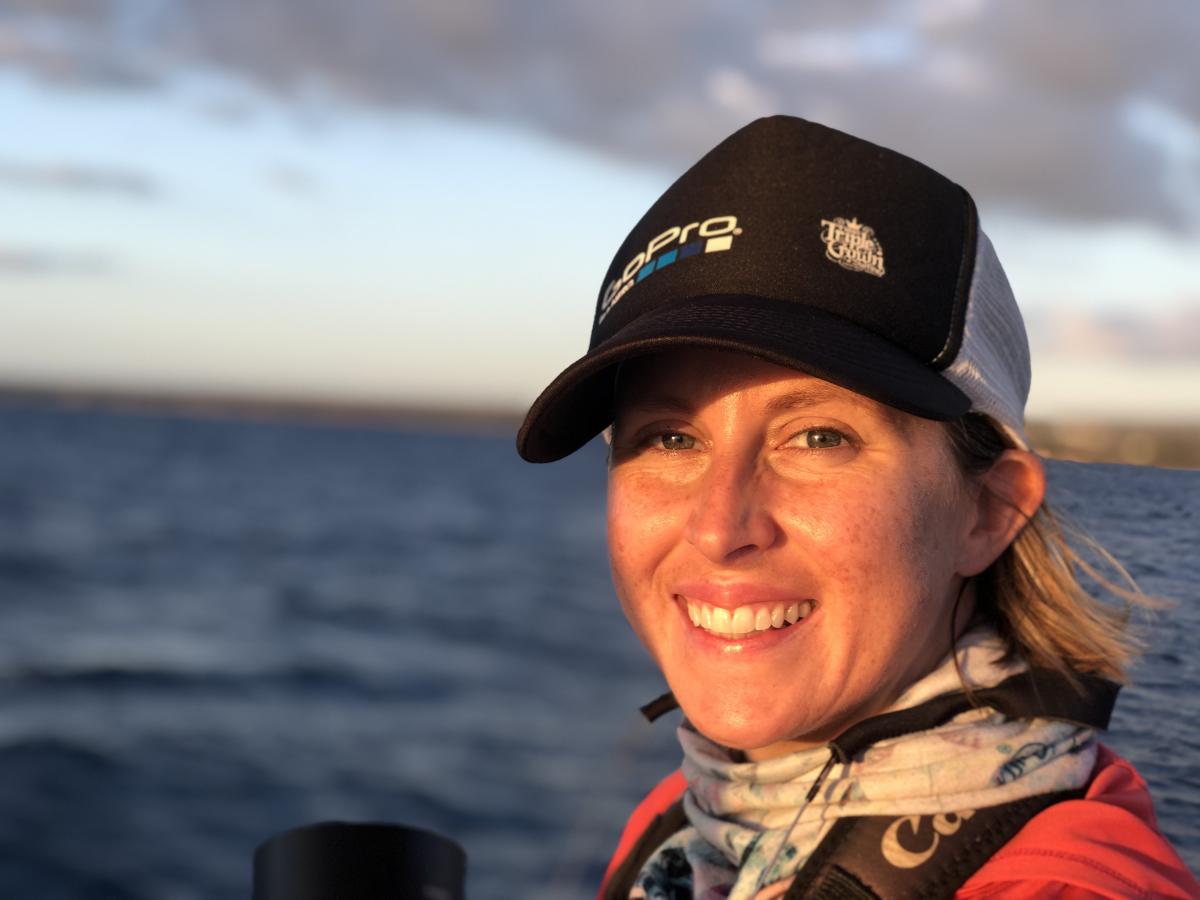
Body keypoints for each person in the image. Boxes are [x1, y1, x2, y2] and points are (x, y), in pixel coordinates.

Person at [516, 116, 1199, 899]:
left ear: (987, 511)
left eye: (817, 436)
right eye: (670, 440)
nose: (717, 526)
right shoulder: (683, 829)